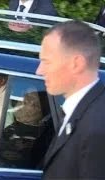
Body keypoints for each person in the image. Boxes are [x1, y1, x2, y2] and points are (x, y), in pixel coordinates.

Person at [36, 20, 105, 179]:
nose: (39, 71)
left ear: (77, 64)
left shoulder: (97, 129)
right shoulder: (81, 111)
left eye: (46, 62)